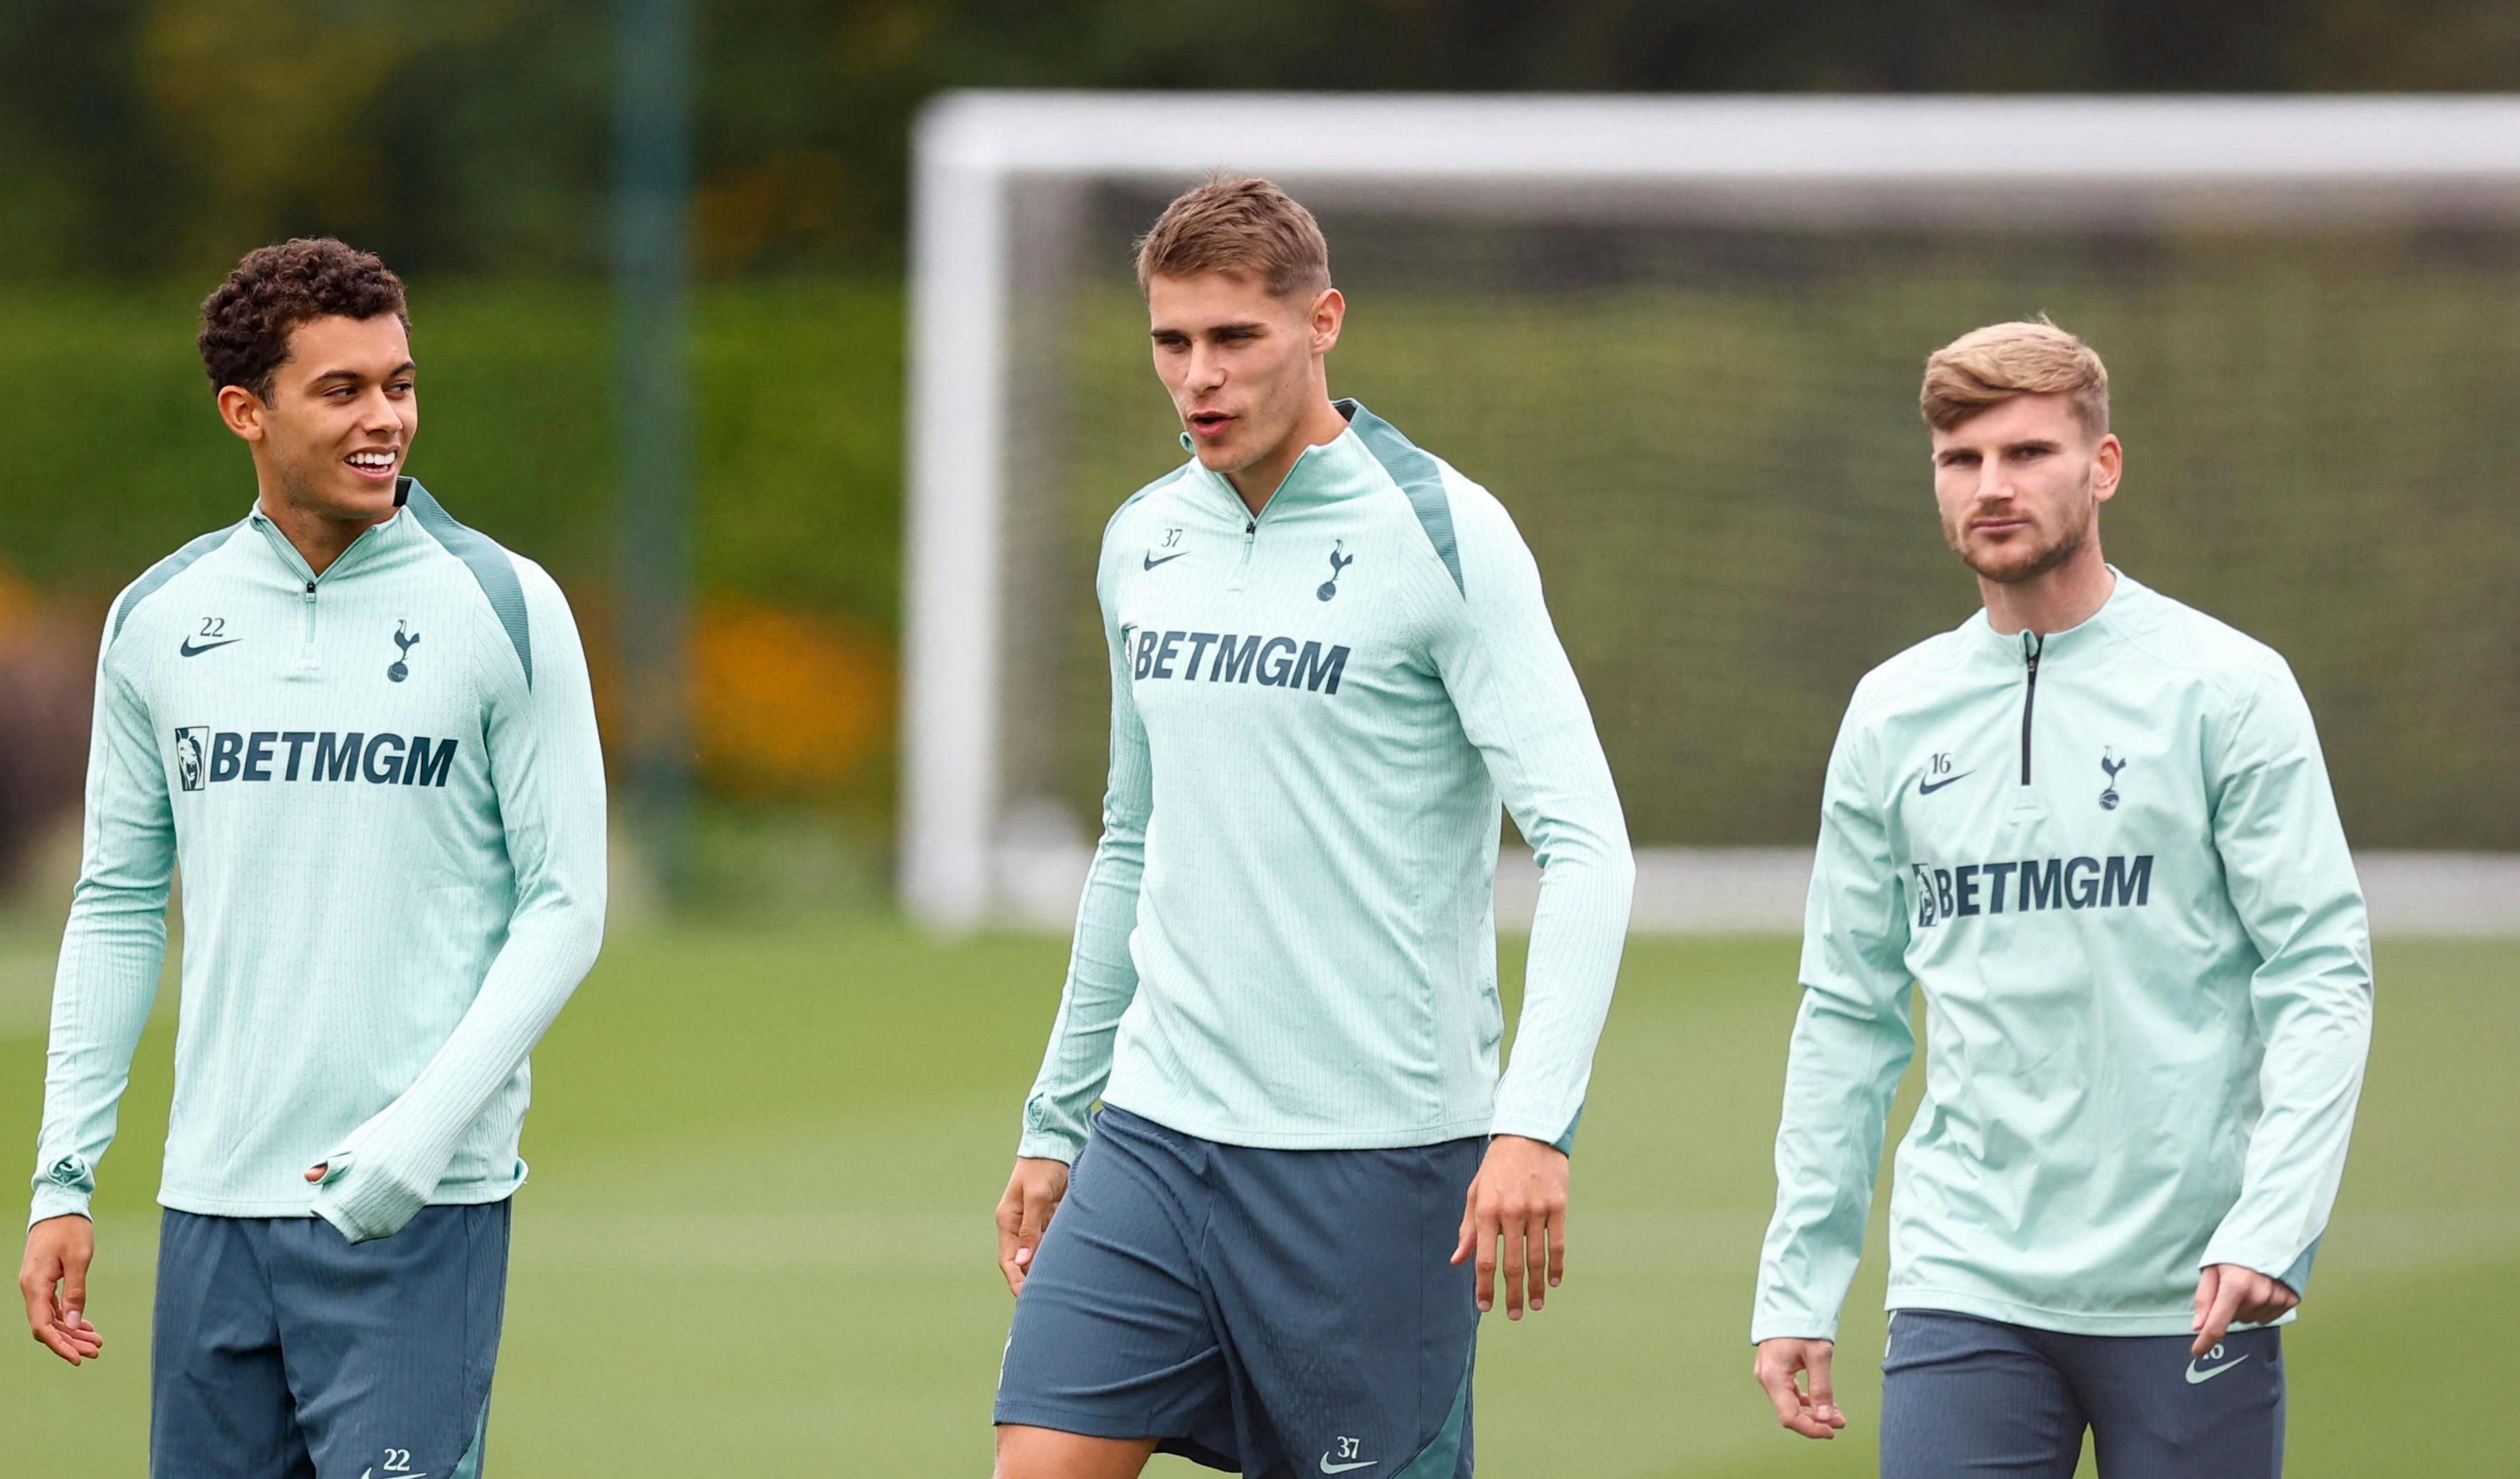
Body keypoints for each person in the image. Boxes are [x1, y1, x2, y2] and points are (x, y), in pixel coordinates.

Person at [989, 174, 1634, 1479]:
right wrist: (1058, 1121)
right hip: (1159, 1138)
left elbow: (1585, 845)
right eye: (1172, 342)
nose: (1198, 379)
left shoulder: (1445, 534)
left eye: (1237, 339)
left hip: (1375, 1163)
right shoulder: (1142, 539)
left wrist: (1532, 1125)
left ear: (1323, 321)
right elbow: (1132, 837)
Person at [16, 237, 606, 1478]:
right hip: (211, 1215)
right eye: (342, 391)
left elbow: (566, 906)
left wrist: (417, 1140)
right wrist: (62, 1178)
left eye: (398, 383)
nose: (385, 417)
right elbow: (118, 904)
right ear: (247, 411)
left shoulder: (503, 604)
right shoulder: (159, 620)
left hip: (417, 1212)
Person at [1749, 320, 2373, 1478]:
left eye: (2028, 453)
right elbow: (1847, 1009)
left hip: (2192, 1287)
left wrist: (2274, 1222)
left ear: (2104, 465)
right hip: (1964, 1283)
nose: (1991, 487)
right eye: (1960, 458)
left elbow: (2321, 972)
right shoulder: (1891, 712)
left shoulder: (2227, 689)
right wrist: (1797, 1284)